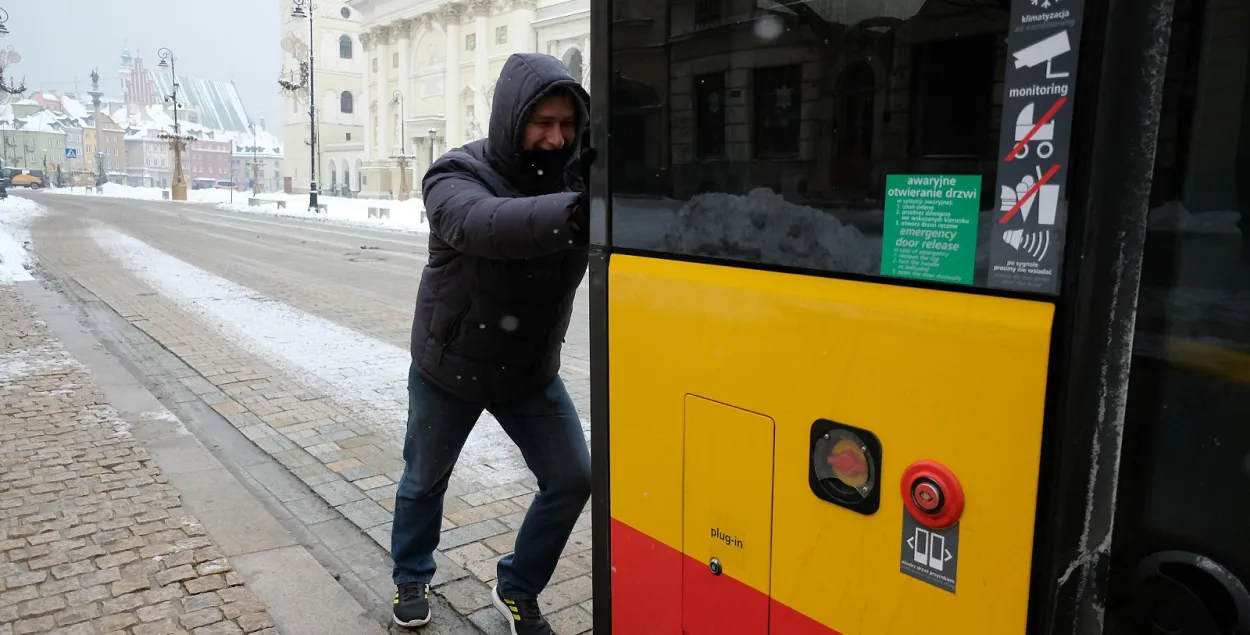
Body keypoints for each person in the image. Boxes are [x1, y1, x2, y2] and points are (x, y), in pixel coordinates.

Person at [390, 52, 594, 635]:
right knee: (424, 479)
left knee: (574, 477)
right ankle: (411, 571)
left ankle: (519, 587)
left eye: (568, 125)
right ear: (513, 117)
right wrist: (579, 213)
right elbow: (485, 224)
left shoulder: (580, 176)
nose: (557, 139)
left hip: (529, 369)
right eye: (543, 123)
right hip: (449, 366)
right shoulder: (455, 175)